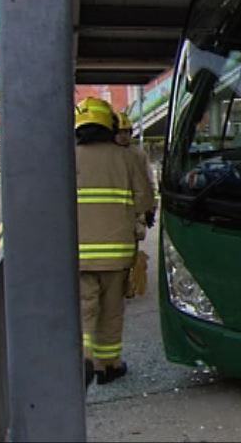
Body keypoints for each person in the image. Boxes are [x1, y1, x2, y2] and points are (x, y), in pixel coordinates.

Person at [75, 98, 155, 388]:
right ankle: (108, 365)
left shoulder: (66, 156)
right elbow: (145, 200)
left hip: (78, 253)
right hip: (117, 252)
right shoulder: (128, 156)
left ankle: (82, 355)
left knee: (84, 308)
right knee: (111, 310)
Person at [115, 111, 156, 299]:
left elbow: (149, 181)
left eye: (126, 131)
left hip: (135, 209)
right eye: (119, 131)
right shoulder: (110, 154)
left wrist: (150, 208)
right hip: (115, 209)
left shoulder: (138, 154)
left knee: (131, 250)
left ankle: (129, 285)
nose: (123, 135)